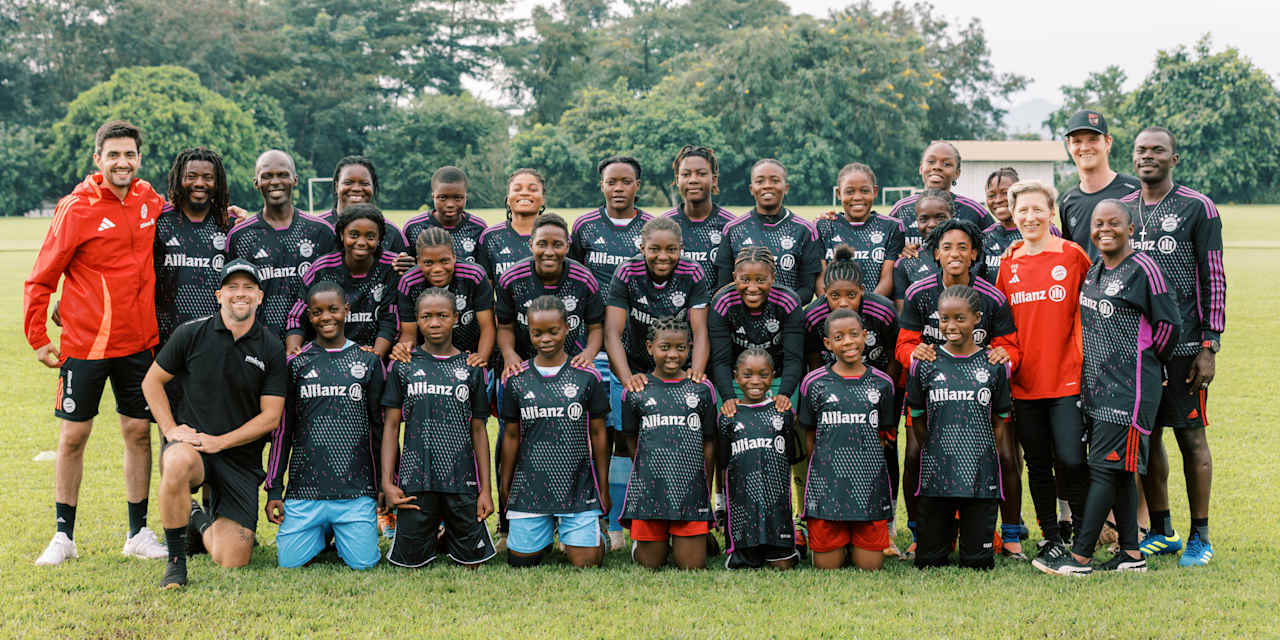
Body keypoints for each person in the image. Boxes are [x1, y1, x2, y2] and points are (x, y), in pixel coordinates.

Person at [26, 120, 169, 566]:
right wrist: (36, 335)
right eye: (113, 155)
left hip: (140, 344)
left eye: (130, 155)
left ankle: (138, 532)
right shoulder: (77, 207)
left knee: (137, 434)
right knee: (73, 436)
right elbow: (44, 273)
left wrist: (233, 212)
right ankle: (63, 537)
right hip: (84, 346)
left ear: (139, 159)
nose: (122, 162)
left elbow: (189, 219)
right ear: (98, 159)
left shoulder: (151, 201)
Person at [1032, 199, 1180, 575]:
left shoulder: (1144, 269)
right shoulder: (1096, 268)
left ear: (1131, 229)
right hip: (1098, 388)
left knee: (1101, 470)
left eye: (1115, 223)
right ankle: (1131, 554)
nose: (1105, 229)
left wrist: (1145, 363)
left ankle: (1080, 557)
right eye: (1099, 223)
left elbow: (1168, 326)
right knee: (1120, 471)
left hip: (1130, 392)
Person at [142, 259, 287, 588]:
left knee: (232, 559)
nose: (240, 294)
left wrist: (221, 442)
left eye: (248, 288)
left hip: (239, 459)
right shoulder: (191, 333)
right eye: (233, 288)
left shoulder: (271, 347)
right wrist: (169, 430)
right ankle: (176, 563)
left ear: (260, 297)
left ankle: (196, 517)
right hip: (195, 450)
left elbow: (271, 417)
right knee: (176, 459)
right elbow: (152, 383)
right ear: (219, 294)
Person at [1121, 127, 1225, 567]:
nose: (1148, 156)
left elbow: (1214, 275)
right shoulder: (1122, 209)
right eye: (1141, 150)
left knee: (1191, 437)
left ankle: (1201, 536)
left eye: (1157, 150)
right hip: (1139, 349)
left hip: (1185, 345)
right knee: (1148, 439)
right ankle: (1162, 529)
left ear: (1173, 158)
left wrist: (1210, 343)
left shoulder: (1197, 207)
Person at [896, 218, 1020, 557]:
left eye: (963, 247)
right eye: (947, 247)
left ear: (975, 253)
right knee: (915, 455)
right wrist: (915, 353)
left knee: (1006, 455)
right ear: (935, 254)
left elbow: (1010, 346)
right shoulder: (919, 293)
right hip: (935, 394)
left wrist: (1002, 357)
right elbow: (904, 344)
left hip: (980, 393)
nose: (955, 253)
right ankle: (922, 532)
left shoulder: (991, 296)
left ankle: (1010, 534)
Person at [493, 212, 604, 547]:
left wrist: (589, 354)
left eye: (558, 244)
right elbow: (504, 325)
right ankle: (507, 520)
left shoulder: (584, 279)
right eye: (542, 244)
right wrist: (511, 356)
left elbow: (596, 326)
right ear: (531, 244)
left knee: (577, 432)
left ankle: (588, 510)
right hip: (524, 366)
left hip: (568, 364)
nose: (550, 250)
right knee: (511, 435)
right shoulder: (512, 278)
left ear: (568, 245)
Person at [995, 180, 1092, 559]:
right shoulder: (1009, 263)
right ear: (1013, 215)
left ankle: (1083, 532)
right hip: (1025, 382)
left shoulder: (1072, 255)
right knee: (1036, 462)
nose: (1030, 216)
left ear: (1051, 213)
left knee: (1070, 458)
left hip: (1067, 377)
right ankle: (1051, 536)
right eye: (1023, 211)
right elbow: (1003, 326)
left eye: (1038, 209)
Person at [264, 281, 385, 570]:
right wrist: (273, 490)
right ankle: (323, 532)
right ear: (308, 315)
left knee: (364, 565)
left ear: (347, 310)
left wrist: (382, 484)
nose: (326, 317)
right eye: (317, 312)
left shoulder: (368, 362)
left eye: (333, 309)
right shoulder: (297, 364)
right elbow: (283, 432)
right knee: (290, 563)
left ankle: (340, 532)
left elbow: (380, 429)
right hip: (305, 490)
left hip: (355, 491)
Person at [381, 288, 496, 568]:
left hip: (460, 480)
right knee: (410, 565)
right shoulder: (403, 366)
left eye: (442, 315)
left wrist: (485, 491)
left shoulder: (471, 368)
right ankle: (431, 534)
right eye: (426, 316)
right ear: (417, 321)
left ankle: (447, 535)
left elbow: (479, 431)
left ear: (456, 318)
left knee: (473, 564)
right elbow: (391, 426)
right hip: (415, 481)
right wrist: (387, 482)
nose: (434, 323)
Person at [801, 247, 902, 555]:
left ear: (862, 291)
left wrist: (881, 387)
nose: (842, 302)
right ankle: (827, 516)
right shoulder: (814, 316)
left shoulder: (882, 310)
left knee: (884, 447)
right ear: (823, 293)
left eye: (850, 295)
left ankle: (887, 523)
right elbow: (814, 357)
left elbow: (896, 354)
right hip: (834, 385)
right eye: (834, 296)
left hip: (878, 384)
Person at [500, 296, 612, 568]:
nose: (545, 338)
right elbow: (511, 436)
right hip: (531, 486)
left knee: (586, 564)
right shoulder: (516, 378)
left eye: (553, 331)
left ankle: (596, 534)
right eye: (537, 333)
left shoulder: (587, 375)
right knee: (521, 563)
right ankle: (546, 530)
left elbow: (599, 434)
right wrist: (505, 485)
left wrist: (603, 487)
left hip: (577, 485)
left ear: (567, 328)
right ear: (529, 332)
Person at [907, 285, 1013, 570]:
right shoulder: (924, 364)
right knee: (929, 563)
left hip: (979, 478)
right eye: (944, 319)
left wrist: (983, 449)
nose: (950, 326)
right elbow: (917, 417)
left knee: (977, 564)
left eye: (959, 318)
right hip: (936, 477)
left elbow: (1000, 419)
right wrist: (933, 446)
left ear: (977, 318)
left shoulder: (994, 364)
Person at [619, 317, 718, 570]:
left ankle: (695, 536)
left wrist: (703, 484)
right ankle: (646, 543)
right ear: (650, 347)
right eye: (665, 347)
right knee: (651, 565)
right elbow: (630, 439)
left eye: (681, 348)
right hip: (649, 491)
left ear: (690, 348)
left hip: (689, 491)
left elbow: (709, 442)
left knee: (691, 567)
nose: (673, 354)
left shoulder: (701, 389)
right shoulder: (636, 390)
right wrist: (646, 469)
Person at [226, 149, 336, 338]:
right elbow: (234, 299)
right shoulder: (240, 236)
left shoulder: (321, 232)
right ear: (256, 183)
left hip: (312, 346)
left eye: (283, 175)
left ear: (295, 179)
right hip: (259, 345)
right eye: (267, 176)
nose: (275, 181)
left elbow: (334, 292)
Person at [717, 349, 801, 570]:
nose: (755, 381)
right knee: (745, 566)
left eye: (763, 375)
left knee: (783, 565)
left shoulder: (782, 412)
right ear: (736, 377)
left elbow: (790, 458)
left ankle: (785, 541)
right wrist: (720, 504)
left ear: (772, 376)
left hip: (776, 507)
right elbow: (723, 463)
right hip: (742, 509)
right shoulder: (728, 415)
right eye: (747, 375)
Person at [284, 204, 398, 358]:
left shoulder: (391, 266)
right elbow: (298, 315)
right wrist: (293, 351)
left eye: (370, 236)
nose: (362, 242)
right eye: (354, 235)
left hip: (371, 354)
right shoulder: (321, 268)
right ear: (341, 235)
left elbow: (389, 320)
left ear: (379, 238)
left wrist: (375, 357)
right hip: (326, 355)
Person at [707, 246, 804, 413]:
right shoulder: (723, 303)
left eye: (760, 280)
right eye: (744, 280)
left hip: (777, 377)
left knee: (780, 422)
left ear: (773, 277)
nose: (752, 288)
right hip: (736, 379)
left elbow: (793, 358)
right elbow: (721, 360)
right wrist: (728, 396)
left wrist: (784, 394)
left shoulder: (788, 302)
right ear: (734, 277)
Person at [154, 147, 232, 347]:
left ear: (218, 182)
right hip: (166, 338)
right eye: (191, 176)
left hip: (216, 338)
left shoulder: (229, 224)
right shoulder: (159, 221)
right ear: (179, 178)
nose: (199, 183)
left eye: (208, 177)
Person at [714, 159, 822, 303]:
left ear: (786, 187)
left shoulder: (804, 230)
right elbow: (724, 286)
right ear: (752, 189)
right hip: (743, 319)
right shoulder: (733, 229)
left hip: (788, 317)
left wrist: (780, 306)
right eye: (760, 181)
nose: (767, 186)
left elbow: (807, 289)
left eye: (775, 180)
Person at [393, 227, 494, 367]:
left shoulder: (474, 276)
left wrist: (481, 358)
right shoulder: (409, 282)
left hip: (471, 350)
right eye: (428, 263)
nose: (437, 269)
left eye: (444, 261)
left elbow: (487, 326)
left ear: (454, 256)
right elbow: (409, 333)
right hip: (428, 356)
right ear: (418, 261)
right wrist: (403, 349)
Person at [1057, 110, 1142, 262]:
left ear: (1108, 142)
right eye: (1077, 141)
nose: (1084, 147)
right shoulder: (1067, 202)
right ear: (1069, 146)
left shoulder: (1136, 190)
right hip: (1088, 285)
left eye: (1093, 139)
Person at [816, 163, 905, 298]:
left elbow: (887, 279)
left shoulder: (891, 228)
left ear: (874, 192)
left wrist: (867, 306)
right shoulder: (823, 227)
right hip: (834, 313)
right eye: (850, 191)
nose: (857, 197)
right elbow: (820, 279)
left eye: (864, 191)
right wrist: (836, 308)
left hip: (875, 310)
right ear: (839, 194)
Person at [889, 142, 994, 249]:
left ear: (957, 173)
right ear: (921, 168)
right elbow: (886, 247)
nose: (937, 167)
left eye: (946, 164)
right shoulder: (901, 209)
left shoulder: (974, 212)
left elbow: (996, 246)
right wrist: (901, 251)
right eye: (931, 162)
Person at [664, 145, 736, 280]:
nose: (693, 180)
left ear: (714, 180)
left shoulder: (731, 226)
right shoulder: (664, 225)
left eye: (701, 174)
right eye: (686, 174)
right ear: (677, 180)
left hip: (717, 301)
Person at [317, 156, 410, 259]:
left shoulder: (391, 232)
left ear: (373, 187)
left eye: (364, 183)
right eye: (348, 183)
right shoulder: (318, 227)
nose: (356, 188)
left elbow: (406, 271)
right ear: (336, 186)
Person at [402, 166, 487, 264]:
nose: (450, 204)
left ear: (465, 197)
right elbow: (405, 265)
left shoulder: (478, 227)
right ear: (433, 196)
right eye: (442, 197)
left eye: (457, 198)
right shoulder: (414, 228)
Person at [476, 168, 544, 284]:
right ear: (508, 199)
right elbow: (486, 294)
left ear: (543, 199)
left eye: (533, 189)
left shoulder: (557, 237)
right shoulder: (491, 237)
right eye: (517, 189)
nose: (524, 193)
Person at [890, 189, 954, 309]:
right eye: (924, 219)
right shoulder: (906, 263)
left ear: (952, 217)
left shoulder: (969, 258)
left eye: (940, 217)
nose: (932, 224)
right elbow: (903, 315)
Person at [980, 167, 1021, 281]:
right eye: (991, 195)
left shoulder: (1043, 231)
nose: (998, 200)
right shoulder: (984, 238)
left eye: (1005, 193)